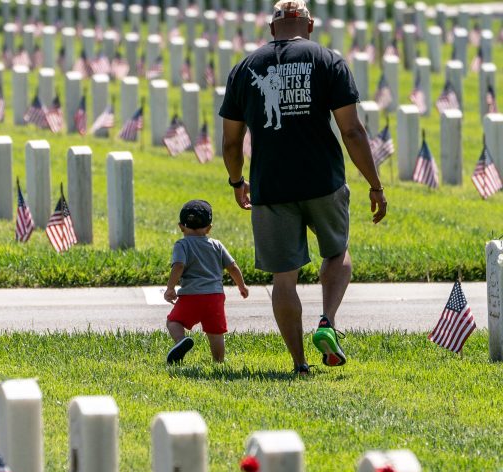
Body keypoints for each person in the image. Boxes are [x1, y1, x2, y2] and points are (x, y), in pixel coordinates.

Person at [219, 0, 387, 375]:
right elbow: (352, 131)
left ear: (271, 29)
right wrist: (375, 184)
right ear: (309, 26)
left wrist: (236, 180)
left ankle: (299, 363)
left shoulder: (244, 69)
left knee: (284, 277)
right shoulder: (329, 60)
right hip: (322, 181)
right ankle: (327, 321)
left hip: (271, 185)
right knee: (337, 252)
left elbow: (231, 142)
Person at [164, 200, 249, 364]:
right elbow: (232, 267)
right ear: (209, 227)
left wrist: (170, 288)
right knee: (215, 332)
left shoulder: (182, 244)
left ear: (181, 226)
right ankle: (219, 362)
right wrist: (242, 286)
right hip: (215, 297)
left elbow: (179, 266)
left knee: (173, 321)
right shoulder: (217, 245)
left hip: (191, 296)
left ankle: (181, 341)